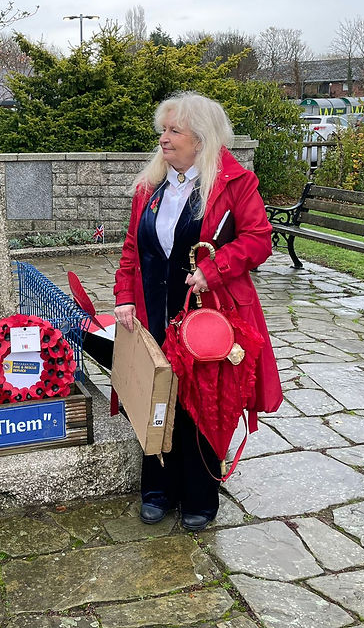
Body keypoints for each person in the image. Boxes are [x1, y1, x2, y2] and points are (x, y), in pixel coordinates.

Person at [113, 91, 281, 531]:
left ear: (201, 139)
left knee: (203, 400)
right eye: (163, 130)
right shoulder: (151, 185)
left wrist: (215, 268)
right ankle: (157, 490)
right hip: (155, 309)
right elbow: (133, 248)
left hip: (207, 314)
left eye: (174, 131)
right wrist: (124, 295)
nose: (164, 139)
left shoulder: (235, 183)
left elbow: (259, 239)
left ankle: (200, 496)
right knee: (158, 396)